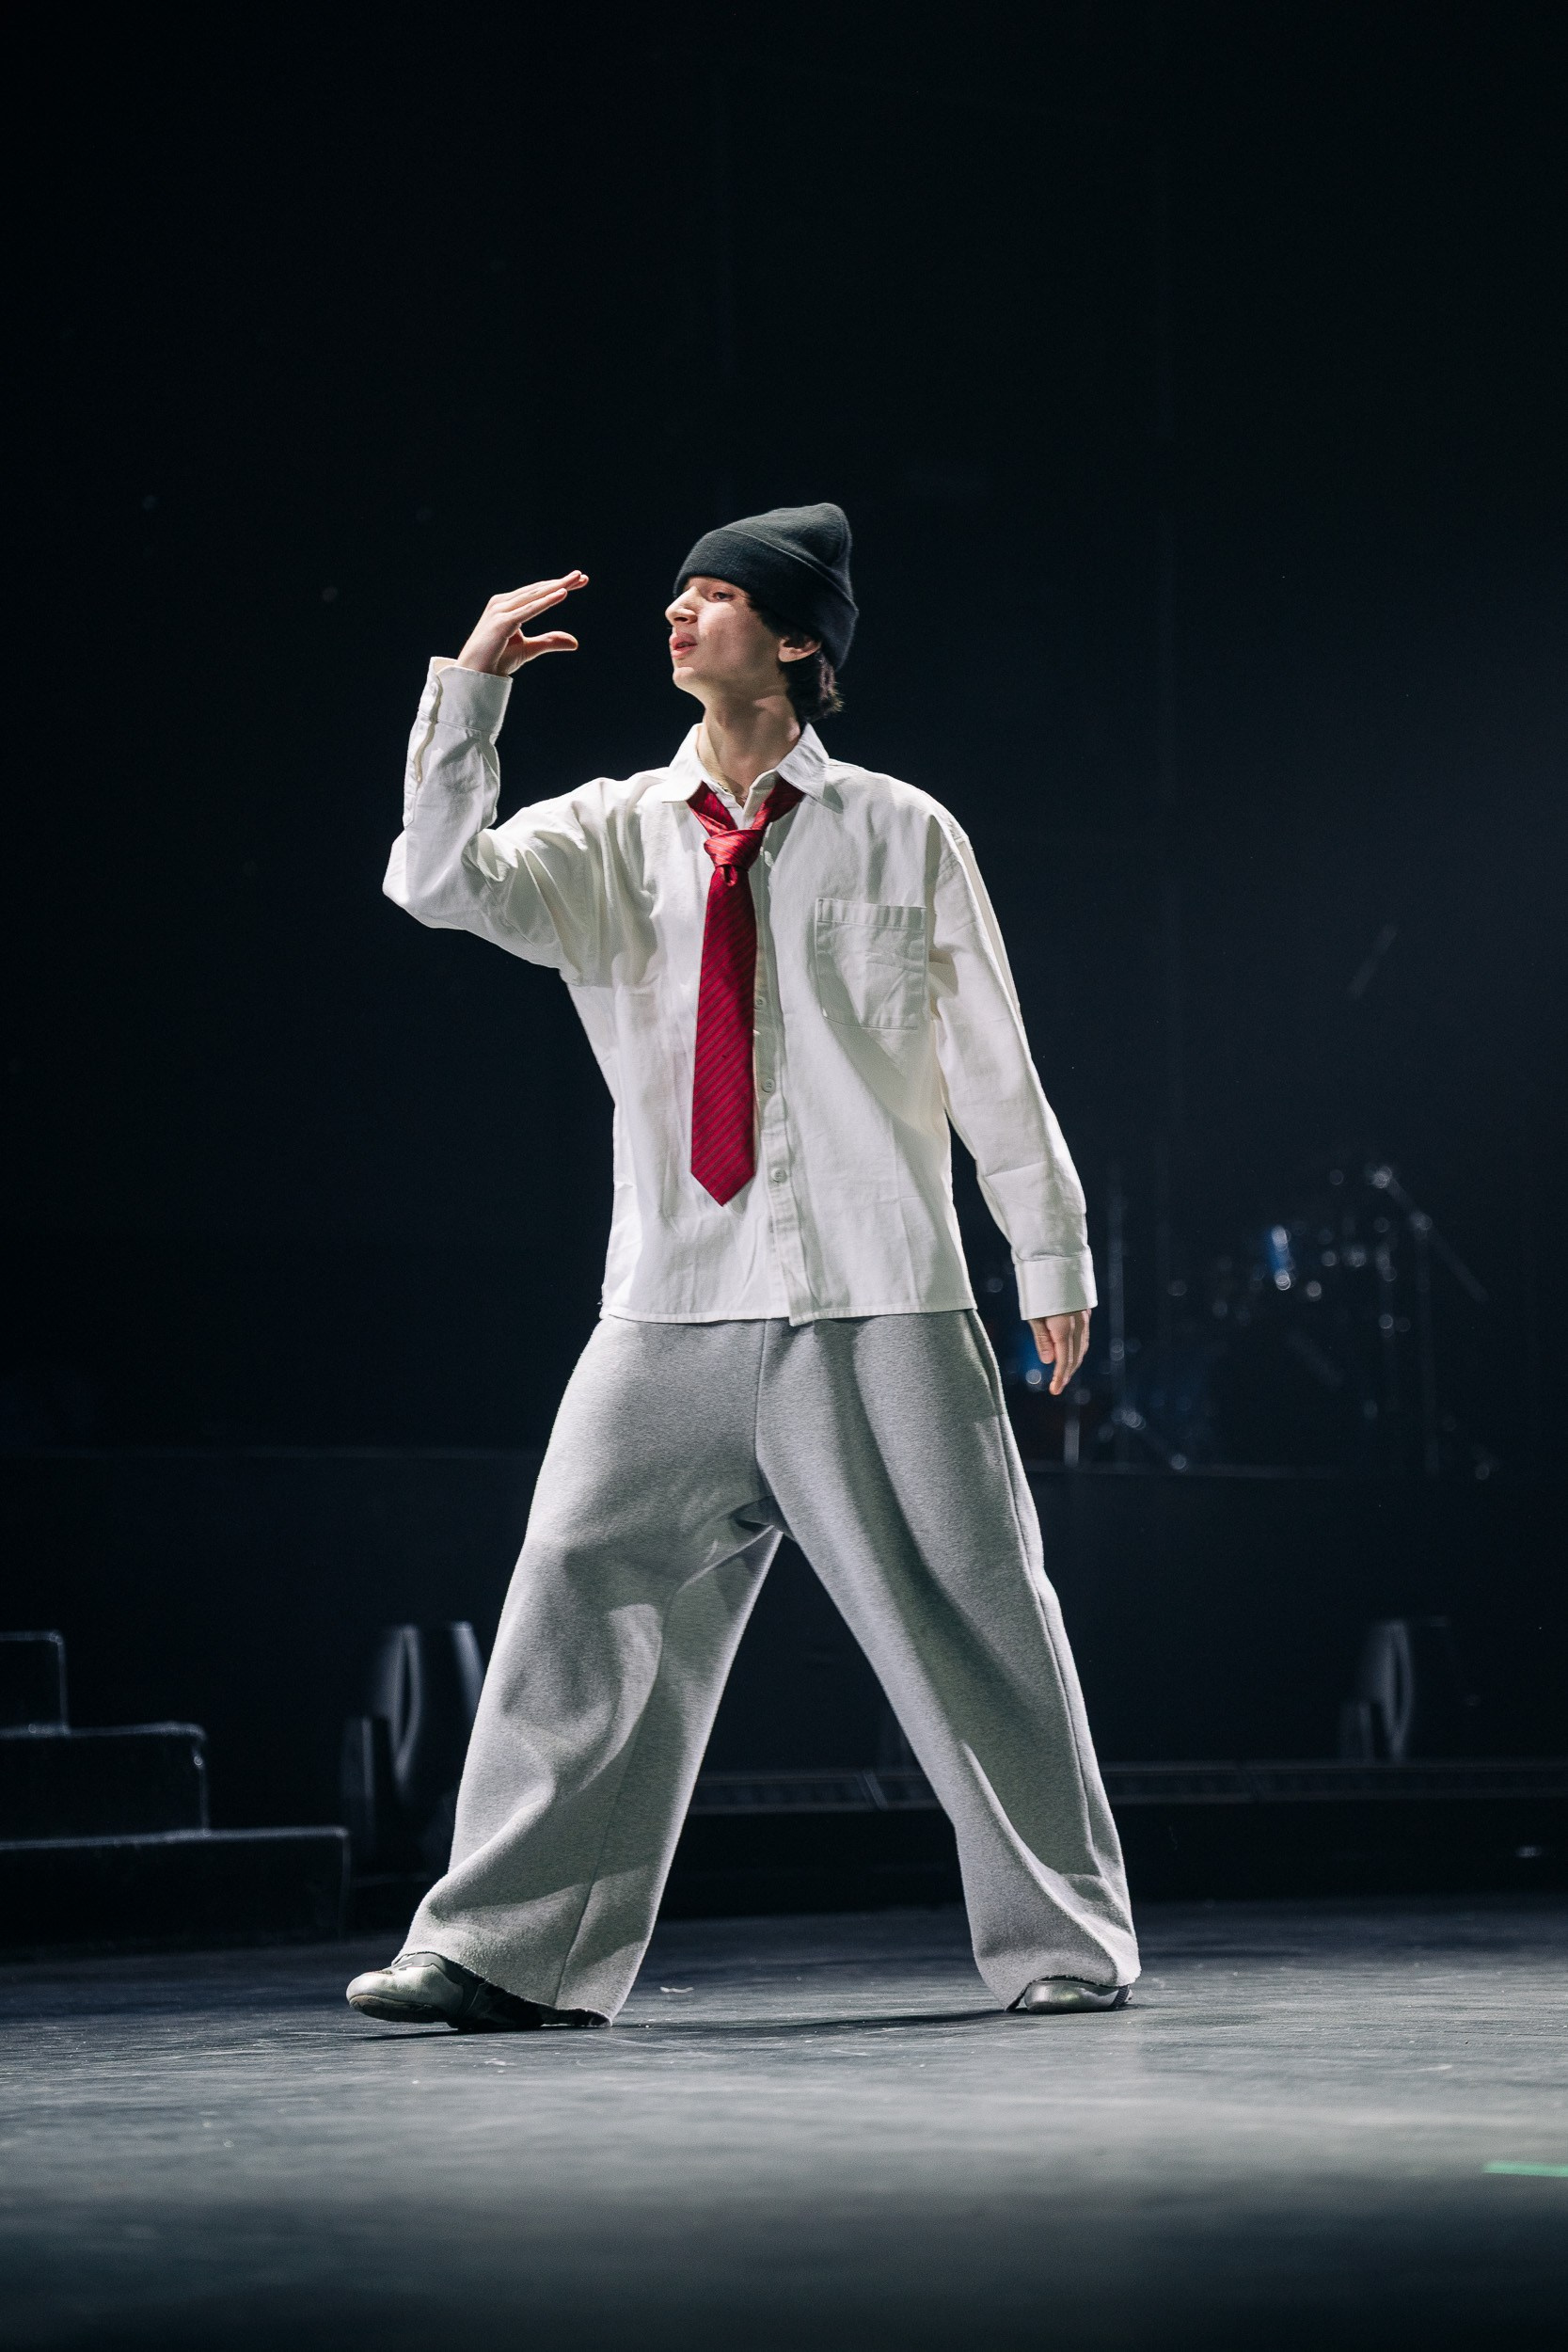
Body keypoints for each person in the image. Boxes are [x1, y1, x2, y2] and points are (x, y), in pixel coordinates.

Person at [348, 502, 1138, 2032]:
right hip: (671, 1298)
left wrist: (1048, 1245)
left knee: (976, 1615)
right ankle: (507, 1950)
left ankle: (1067, 1940)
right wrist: (472, 693)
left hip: (877, 1297)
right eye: (678, 592)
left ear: (794, 642)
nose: (677, 612)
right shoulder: (609, 832)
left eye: (713, 595)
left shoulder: (902, 829)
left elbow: (991, 1052)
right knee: (576, 1593)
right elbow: (436, 881)